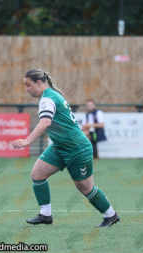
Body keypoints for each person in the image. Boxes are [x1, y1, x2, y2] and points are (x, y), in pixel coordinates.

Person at [12, 69, 119, 227]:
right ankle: (45, 215)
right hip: (60, 147)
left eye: (28, 85)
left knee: (85, 187)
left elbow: (45, 122)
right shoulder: (49, 96)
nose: (26, 89)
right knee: (37, 174)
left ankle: (110, 215)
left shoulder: (47, 99)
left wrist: (27, 140)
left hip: (77, 148)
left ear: (39, 83)